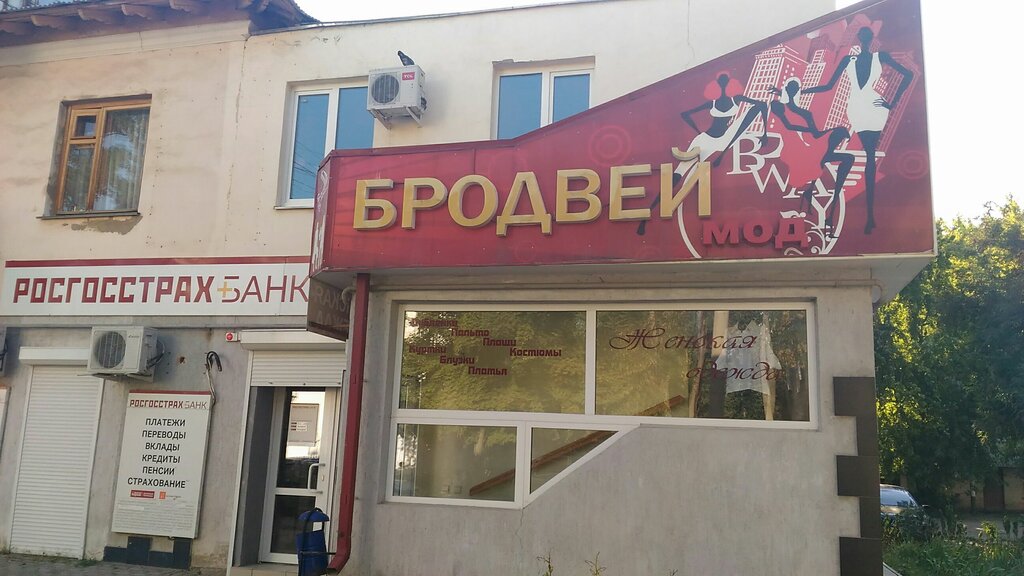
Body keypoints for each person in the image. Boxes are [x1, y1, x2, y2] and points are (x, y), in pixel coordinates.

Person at [803, 26, 913, 234]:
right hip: (862, 107)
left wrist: (891, 103)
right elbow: (828, 86)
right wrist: (891, 102)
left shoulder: (873, 57)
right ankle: (867, 216)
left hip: (869, 107)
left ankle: (868, 216)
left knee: (864, 156)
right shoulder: (856, 59)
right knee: (863, 155)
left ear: (860, 39)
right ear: (869, 39)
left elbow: (907, 74)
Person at [637, 72, 767, 236]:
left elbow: (762, 105)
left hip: (722, 140)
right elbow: (685, 114)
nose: (723, 83)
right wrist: (699, 132)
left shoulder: (736, 99)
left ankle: (723, 152)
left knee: (688, 178)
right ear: (721, 83)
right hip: (706, 141)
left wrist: (764, 134)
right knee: (677, 175)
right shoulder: (715, 102)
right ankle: (647, 214)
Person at [769, 77, 853, 236]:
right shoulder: (778, 106)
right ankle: (811, 188)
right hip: (793, 150)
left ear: (797, 91)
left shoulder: (806, 113)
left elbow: (816, 135)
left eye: (795, 88)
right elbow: (788, 126)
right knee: (822, 151)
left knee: (848, 158)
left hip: (810, 147)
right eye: (790, 87)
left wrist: (835, 131)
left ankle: (830, 211)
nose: (793, 90)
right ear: (787, 89)